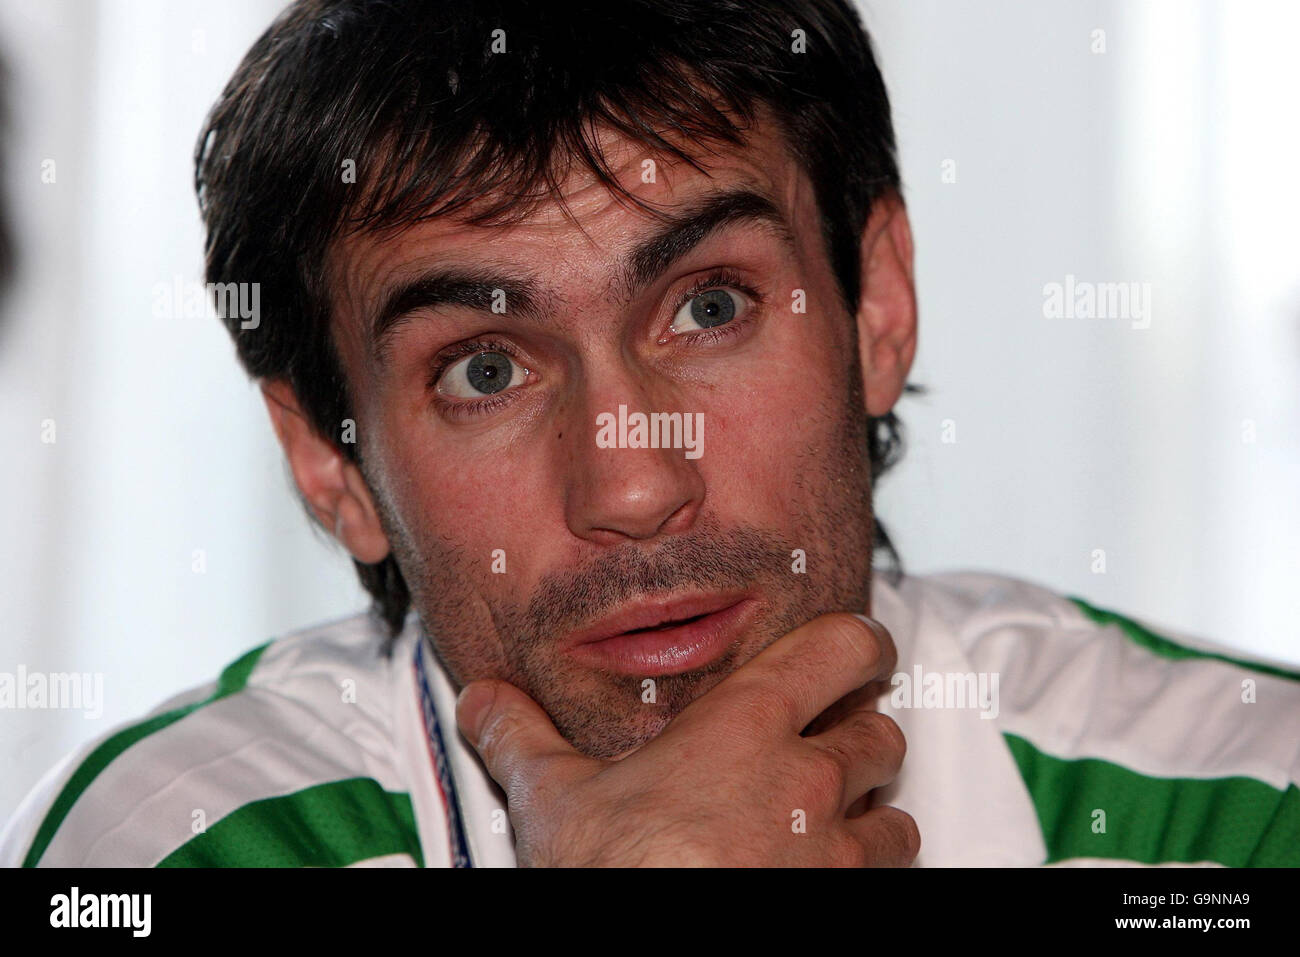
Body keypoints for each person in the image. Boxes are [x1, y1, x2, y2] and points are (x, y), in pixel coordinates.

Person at [4, 0, 1297, 868]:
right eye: (487, 365)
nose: (631, 481)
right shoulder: (177, 840)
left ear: (878, 306)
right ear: (328, 461)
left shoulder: (1237, 809)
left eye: (712, 305)